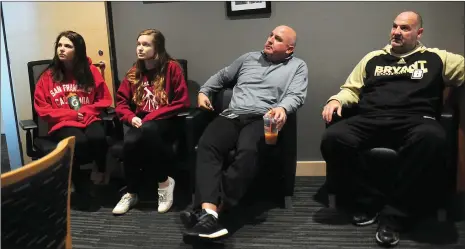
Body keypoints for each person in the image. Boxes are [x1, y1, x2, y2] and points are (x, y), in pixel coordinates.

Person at [320, 11, 464, 247]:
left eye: (405, 28)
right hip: (371, 117)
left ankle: (394, 215)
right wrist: (336, 100)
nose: (397, 32)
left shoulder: (437, 58)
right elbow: (351, 89)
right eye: (395, 27)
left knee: (433, 138)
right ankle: (369, 201)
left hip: (416, 119)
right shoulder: (372, 58)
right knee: (333, 138)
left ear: (419, 33)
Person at [180, 25, 308, 240]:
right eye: (270, 35)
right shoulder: (248, 59)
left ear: (289, 49)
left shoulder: (298, 66)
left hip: (262, 118)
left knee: (249, 151)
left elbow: (296, 95)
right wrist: (204, 91)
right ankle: (208, 214)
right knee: (207, 145)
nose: (269, 40)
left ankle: (214, 209)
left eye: (277, 39)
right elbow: (221, 77)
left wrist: (282, 108)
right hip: (232, 115)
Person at [112, 29, 190, 215]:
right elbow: (121, 103)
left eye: (146, 44)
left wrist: (151, 117)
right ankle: (131, 192)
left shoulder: (172, 68)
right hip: (142, 122)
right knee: (130, 142)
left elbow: (182, 101)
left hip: (166, 122)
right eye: (138, 44)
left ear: (158, 47)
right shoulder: (134, 72)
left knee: (148, 131)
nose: (140, 48)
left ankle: (164, 182)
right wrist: (131, 117)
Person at [34, 30, 113, 209]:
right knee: (79, 142)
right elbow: (42, 109)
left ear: (78, 50)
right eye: (59, 45)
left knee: (98, 138)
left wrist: (86, 110)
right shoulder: (48, 76)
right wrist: (70, 114)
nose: (61, 49)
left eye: (67, 46)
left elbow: (105, 99)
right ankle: (79, 183)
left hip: (89, 117)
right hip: (63, 123)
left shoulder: (90, 71)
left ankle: (98, 171)